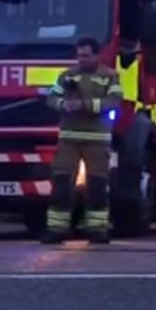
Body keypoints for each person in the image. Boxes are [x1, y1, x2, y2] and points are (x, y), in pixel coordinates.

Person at [42, 36, 127, 245]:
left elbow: (114, 102)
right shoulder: (67, 76)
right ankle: (56, 229)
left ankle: (97, 229)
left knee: (97, 183)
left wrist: (85, 105)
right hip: (69, 138)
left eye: (86, 55)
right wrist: (63, 104)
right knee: (61, 182)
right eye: (79, 55)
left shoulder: (110, 77)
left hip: (97, 139)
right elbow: (51, 99)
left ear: (97, 55)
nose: (82, 59)